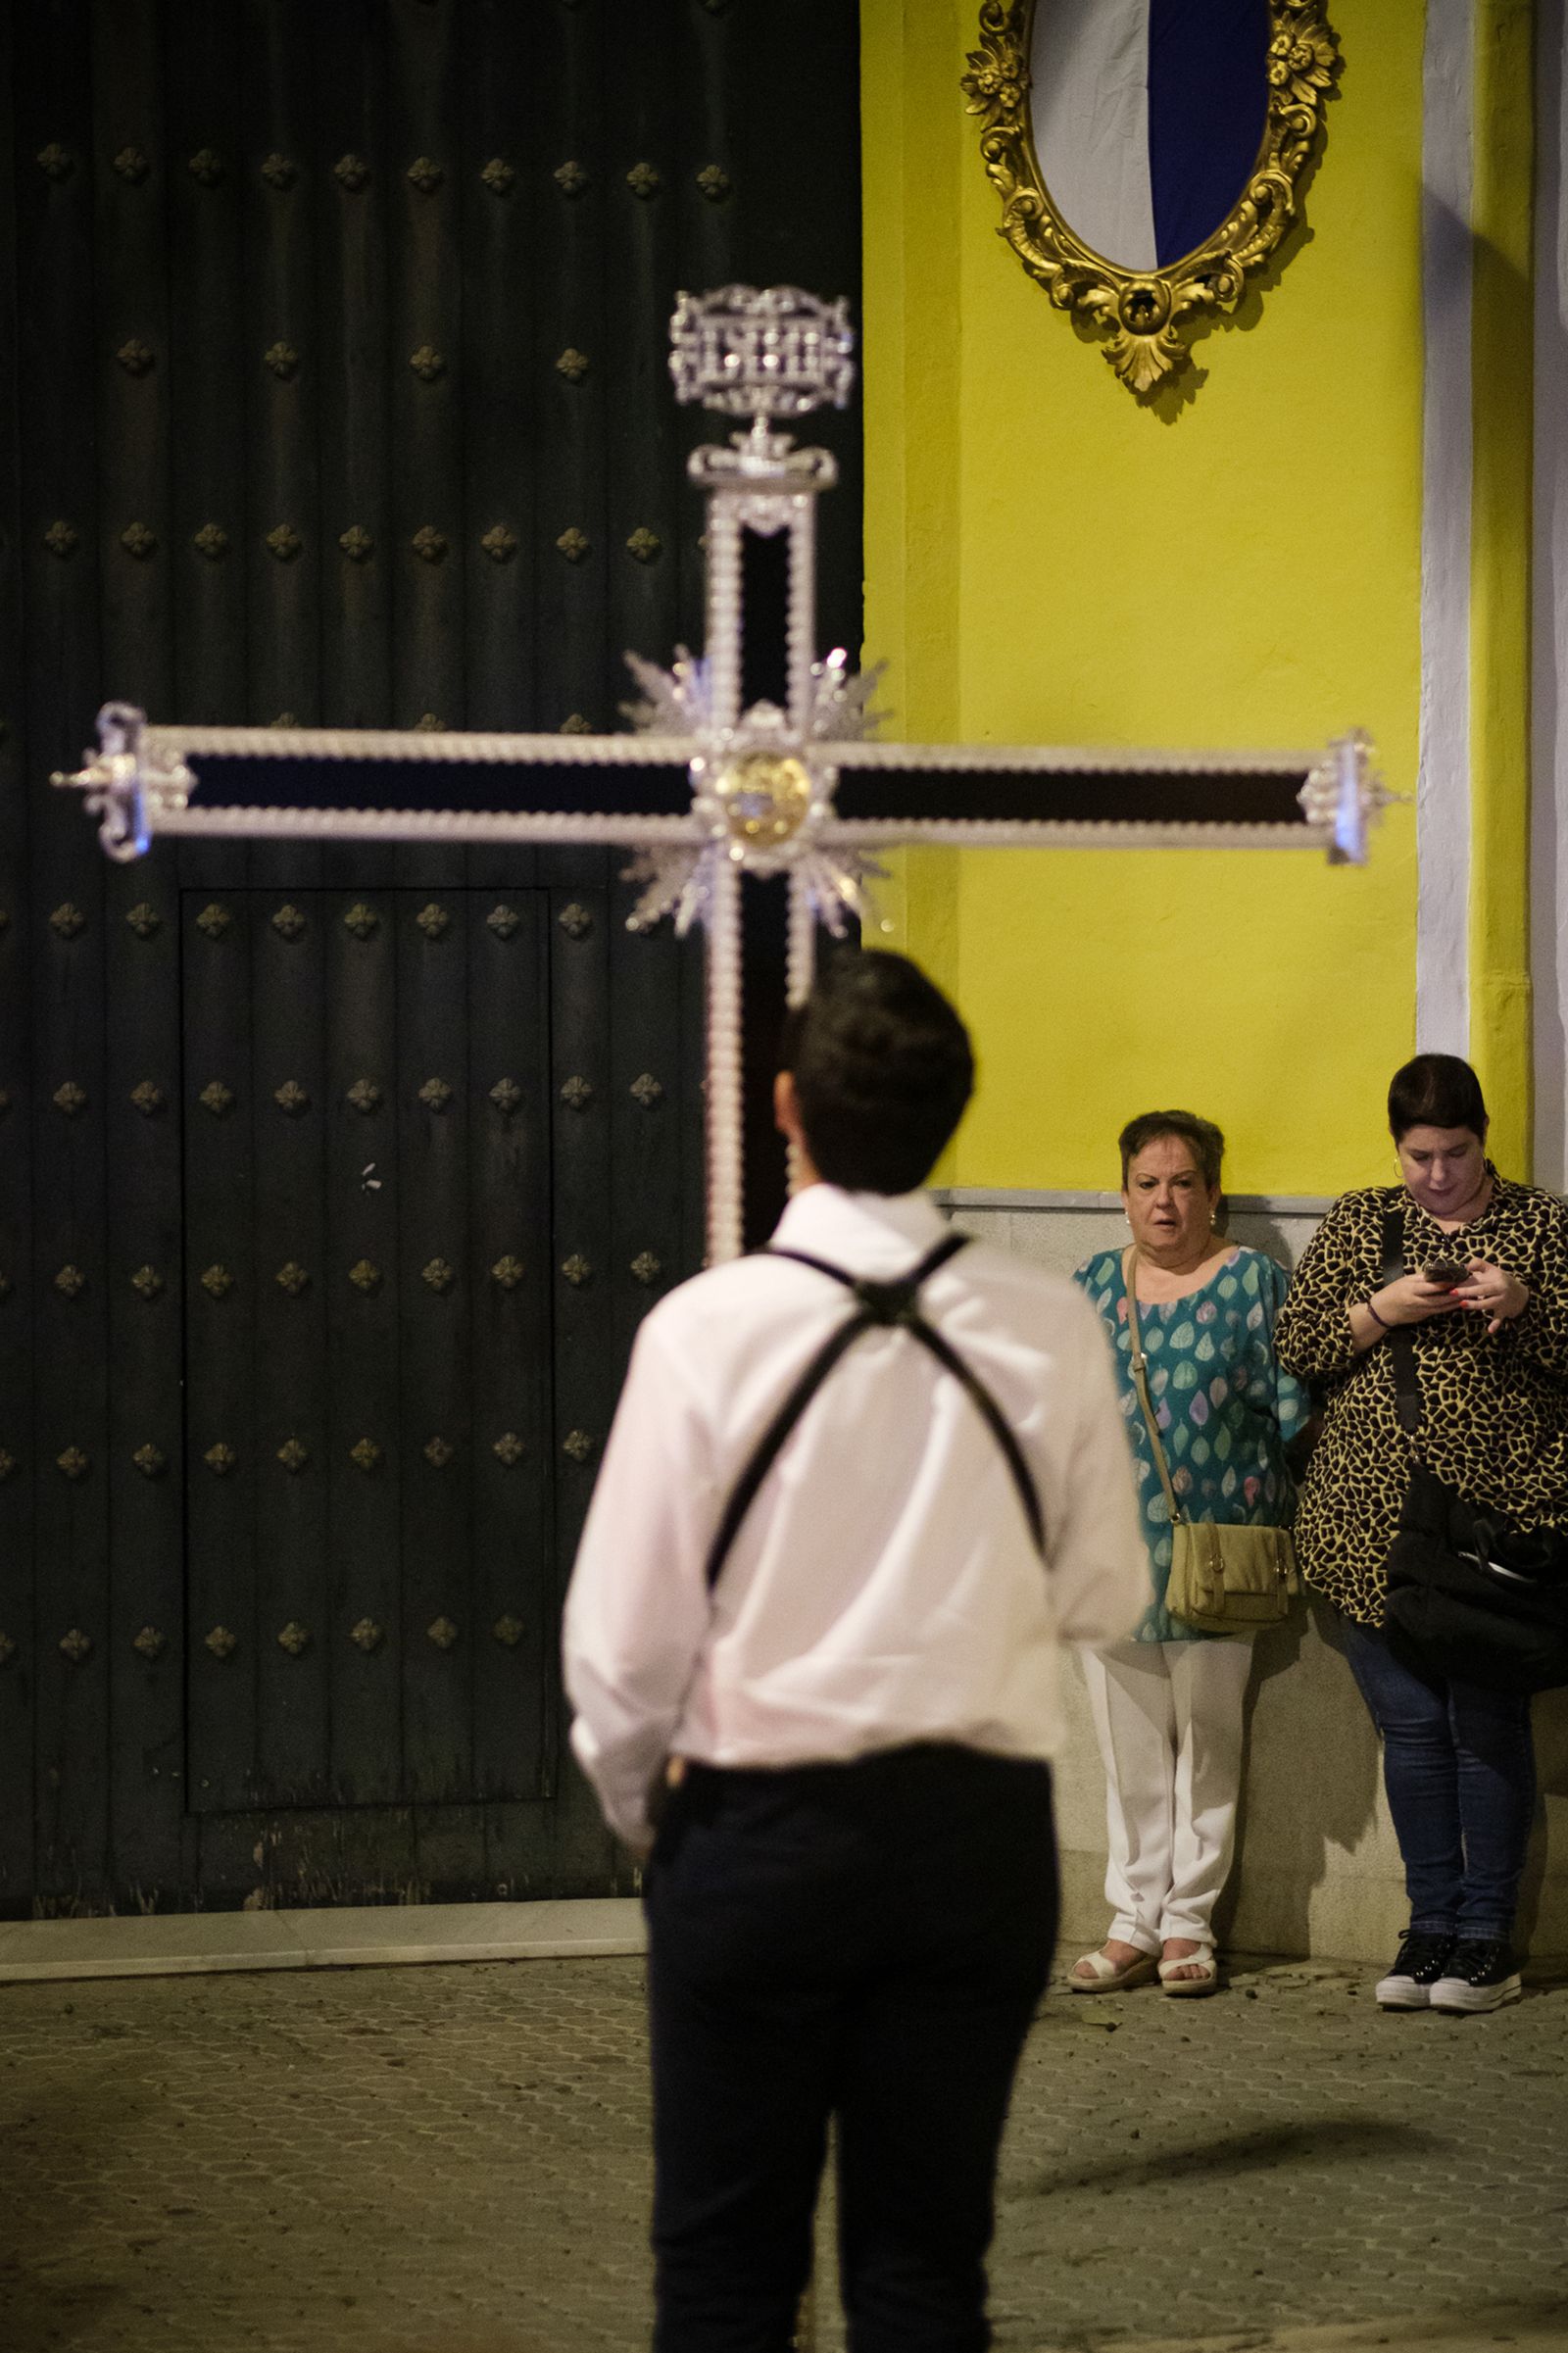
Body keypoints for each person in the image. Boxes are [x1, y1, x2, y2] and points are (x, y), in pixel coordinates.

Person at [564, 950, 1146, 2353]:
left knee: (723, 2271)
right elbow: (1107, 1597)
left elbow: (623, 1651)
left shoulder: (705, 1330)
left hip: (759, 1839)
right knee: (926, 2272)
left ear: (786, 1108)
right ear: (955, 1112)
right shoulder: (1051, 1324)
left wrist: (650, 1812)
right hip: (975, 1844)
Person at [1275, 1053, 1568, 2014]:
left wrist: (1522, 1308)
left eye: (1454, 1153)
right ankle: (1426, 1927)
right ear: (1394, 1147)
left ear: (1483, 1138)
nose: (1437, 1175)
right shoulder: (1362, 1220)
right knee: (1410, 1730)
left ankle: (1486, 1939)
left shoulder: (1540, 1222)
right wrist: (1377, 1310)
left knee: (1484, 1730)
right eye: (1417, 1155)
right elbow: (1299, 1344)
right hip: (1367, 1528)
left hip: (1497, 1532)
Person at [1069, 1111, 1308, 1998]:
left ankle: (1188, 1924)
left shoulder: (1255, 1284)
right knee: (1128, 1746)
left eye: (1182, 1183)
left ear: (1213, 1192)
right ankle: (1132, 1919)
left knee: (1209, 1742)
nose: (1164, 1202)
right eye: (1146, 1183)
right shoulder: (1095, 1283)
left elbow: (1293, 1417)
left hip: (1219, 1555)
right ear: (1123, 1194)